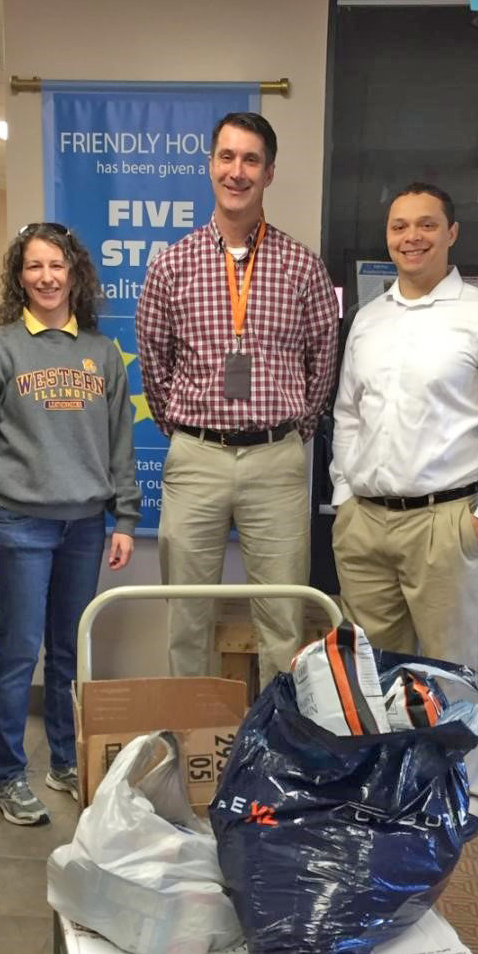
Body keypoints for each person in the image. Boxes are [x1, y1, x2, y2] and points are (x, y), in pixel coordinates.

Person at [330, 182, 478, 826]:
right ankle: (388, 789)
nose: (411, 237)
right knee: (376, 670)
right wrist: (343, 496)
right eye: (399, 226)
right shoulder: (370, 318)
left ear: (452, 234)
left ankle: (467, 796)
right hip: (366, 522)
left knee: (452, 669)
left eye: (425, 225)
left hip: (445, 520)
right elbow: (348, 413)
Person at [135, 112, 339, 686]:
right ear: (210, 165)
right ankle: (194, 731)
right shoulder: (171, 265)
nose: (237, 171)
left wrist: (292, 430)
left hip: (276, 460)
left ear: (268, 173)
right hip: (196, 457)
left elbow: (323, 363)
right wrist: (187, 428)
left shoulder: (302, 267)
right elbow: (154, 363)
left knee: (282, 618)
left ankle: (276, 735)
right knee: (186, 616)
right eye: (226, 157)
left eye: (251, 160)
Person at [0, 223, 139, 825]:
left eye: (57, 265)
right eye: (34, 266)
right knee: (17, 652)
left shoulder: (101, 353)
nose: (47, 277)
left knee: (67, 652)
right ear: (19, 277)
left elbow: (120, 443)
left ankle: (63, 759)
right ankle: (6, 777)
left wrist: (125, 517)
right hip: (16, 526)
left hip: (83, 527)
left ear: (75, 274)